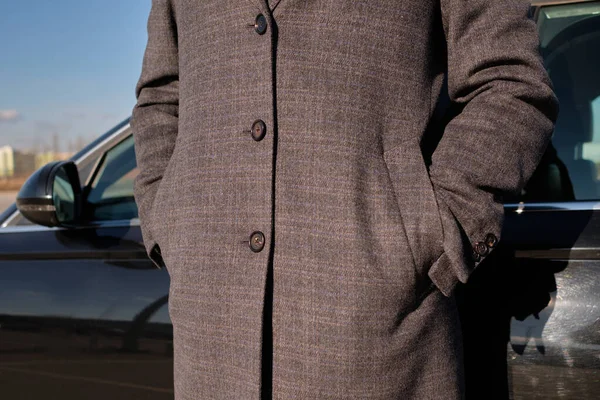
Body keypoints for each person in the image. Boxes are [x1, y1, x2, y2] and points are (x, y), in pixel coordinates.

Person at [131, 0, 558, 398]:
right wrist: (167, 219)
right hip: (207, 337)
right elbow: (162, 96)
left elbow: (507, 80)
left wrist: (435, 228)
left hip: (379, 338)